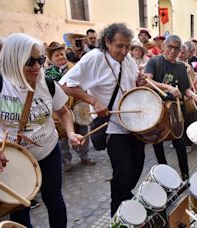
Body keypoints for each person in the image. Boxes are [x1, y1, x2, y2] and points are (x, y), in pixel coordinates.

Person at [0, 33, 84, 227]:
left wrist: (70, 133)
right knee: (20, 207)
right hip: (14, 158)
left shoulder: (47, 83)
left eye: (40, 60)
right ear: (13, 60)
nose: (37, 67)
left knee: (54, 199)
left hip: (48, 151)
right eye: (30, 62)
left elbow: (63, 112)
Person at [59, 23, 146, 216]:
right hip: (112, 126)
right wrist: (93, 101)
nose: (124, 51)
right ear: (107, 42)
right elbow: (65, 84)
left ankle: (124, 198)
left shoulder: (128, 59)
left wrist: (138, 82)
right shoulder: (95, 58)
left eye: (127, 46)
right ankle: (118, 214)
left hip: (133, 124)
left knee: (137, 165)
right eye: (119, 46)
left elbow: (131, 84)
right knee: (123, 171)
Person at [143, 35, 197, 180]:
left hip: (176, 110)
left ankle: (185, 176)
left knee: (180, 142)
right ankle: (164, 177)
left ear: (180, 50)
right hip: (157, 110)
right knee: (158, 143)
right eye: (170, 47)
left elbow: (185, 89)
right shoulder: (154, 62)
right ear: (164, 47)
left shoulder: (181, 67)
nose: (172, 50)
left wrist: (194, 96)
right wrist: (168, 88)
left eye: (176, 48)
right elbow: (147, 81)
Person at [44, 42, 95, 171]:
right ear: (51, 58)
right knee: (62, 137)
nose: (61, 57)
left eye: (62, 54)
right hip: (59, 108)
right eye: (57, 55)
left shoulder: (74, 68)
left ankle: (84, 156)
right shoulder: (47, 74)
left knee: (83, 131)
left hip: (77, 105)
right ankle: (66, 161)